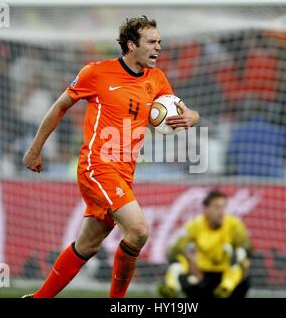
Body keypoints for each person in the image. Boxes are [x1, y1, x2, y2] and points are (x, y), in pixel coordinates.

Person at [21, 15, 200, 298]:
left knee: (88, 245)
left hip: (125, 173)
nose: (158, 48)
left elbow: (182, 110)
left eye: (160, 42)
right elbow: (60, 106)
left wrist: (192, 116)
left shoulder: (157, 79)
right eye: (152, 42)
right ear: (131, 45)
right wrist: (34, 149)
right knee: (139, 231)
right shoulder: (96, 72)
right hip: (97, 166)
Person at [158, 190, 251, 298]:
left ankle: (226, 287)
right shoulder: (195, 224)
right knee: (178, 261)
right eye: (216, 207)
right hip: (202, 276)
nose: (221, 212)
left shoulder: (234, 224)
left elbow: (247, 247)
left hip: (226, 273)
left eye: (223, 207)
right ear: (206, 209)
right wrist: (191, 263)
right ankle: (171, 286)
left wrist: (241, 255)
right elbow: (174, 251)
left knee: (241, 256)